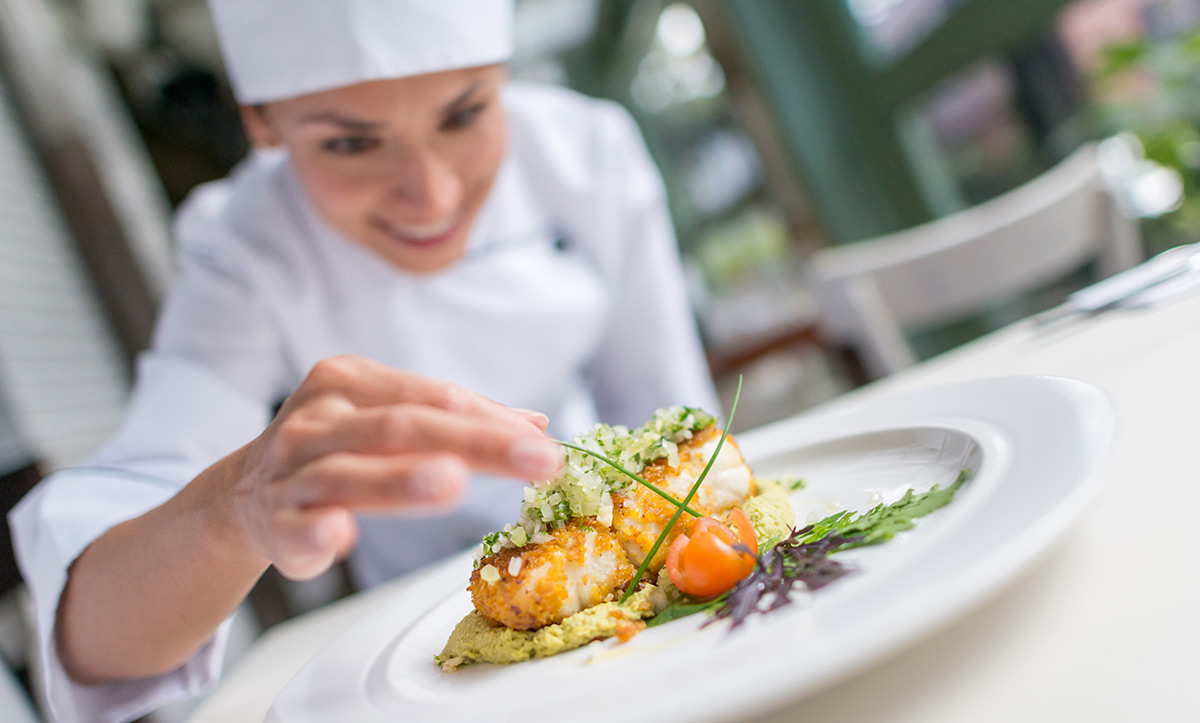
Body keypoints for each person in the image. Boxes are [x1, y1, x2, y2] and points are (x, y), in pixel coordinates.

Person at [9, 1, 718, 721]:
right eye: (351, 145)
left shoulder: (587, 153)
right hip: (418, 666)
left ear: (502, 73)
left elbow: (690, 443)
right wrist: (236, 506)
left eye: (465, 114)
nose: (431, 196)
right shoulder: (244, 248)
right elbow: (93, 643)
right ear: (261, 121)